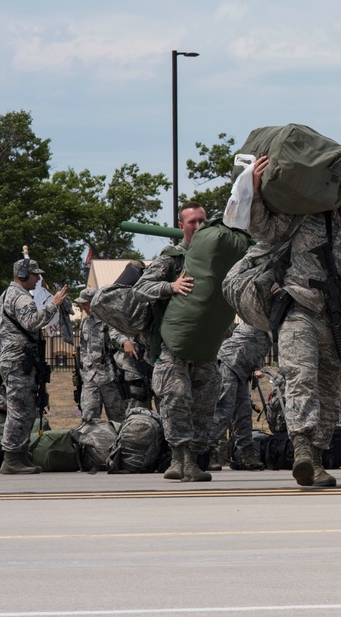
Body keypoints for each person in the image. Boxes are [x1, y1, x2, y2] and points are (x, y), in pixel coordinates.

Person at [250, 157, 341, 487]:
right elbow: (266, 230)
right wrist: (256, 191)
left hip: (339, 319)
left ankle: (315, 459)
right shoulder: (310, 211)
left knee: (333, 388)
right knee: (300, 375)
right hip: (299, 309)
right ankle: (301, 447)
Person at [133, 201, 215, 482]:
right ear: (181, 226)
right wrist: (172, 287)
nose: (198, 226)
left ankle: (192, 458)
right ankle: (180, 459)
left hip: (205, 345)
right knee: (176, 398)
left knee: (204, 404)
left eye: (202, 220)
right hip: (172, 346)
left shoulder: (215, 255)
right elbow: (140, 288)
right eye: (192, 222)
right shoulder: (172, 257)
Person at [0, 257, 68, 474]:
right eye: (35, 274)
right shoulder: (20, 298)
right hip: (18, 360)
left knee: (26, 409)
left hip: (17, 359)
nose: (38, 278)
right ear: (23, 275)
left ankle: (19, 454)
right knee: (19, 410)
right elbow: (32, 323)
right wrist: (53, 304)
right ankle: (11, 459)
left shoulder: (9, 295)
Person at [209, 323, 271, 471]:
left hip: (242, 369)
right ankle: (206, 452)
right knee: (224, 410)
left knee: (243, 412)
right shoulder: (259, 320)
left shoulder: (271, 326)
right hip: (229, 364)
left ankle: (248, 454)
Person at [76, 287, 136, 423]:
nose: (83, 306)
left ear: (94, 303)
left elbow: (116, 334)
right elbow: (83, 346)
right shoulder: (85, 322)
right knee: (89, 417)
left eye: (85, 303)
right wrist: (84, 365)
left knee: (117, 418)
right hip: (90, 377)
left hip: (109, 377)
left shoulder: (108, 319)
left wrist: (125, 341)